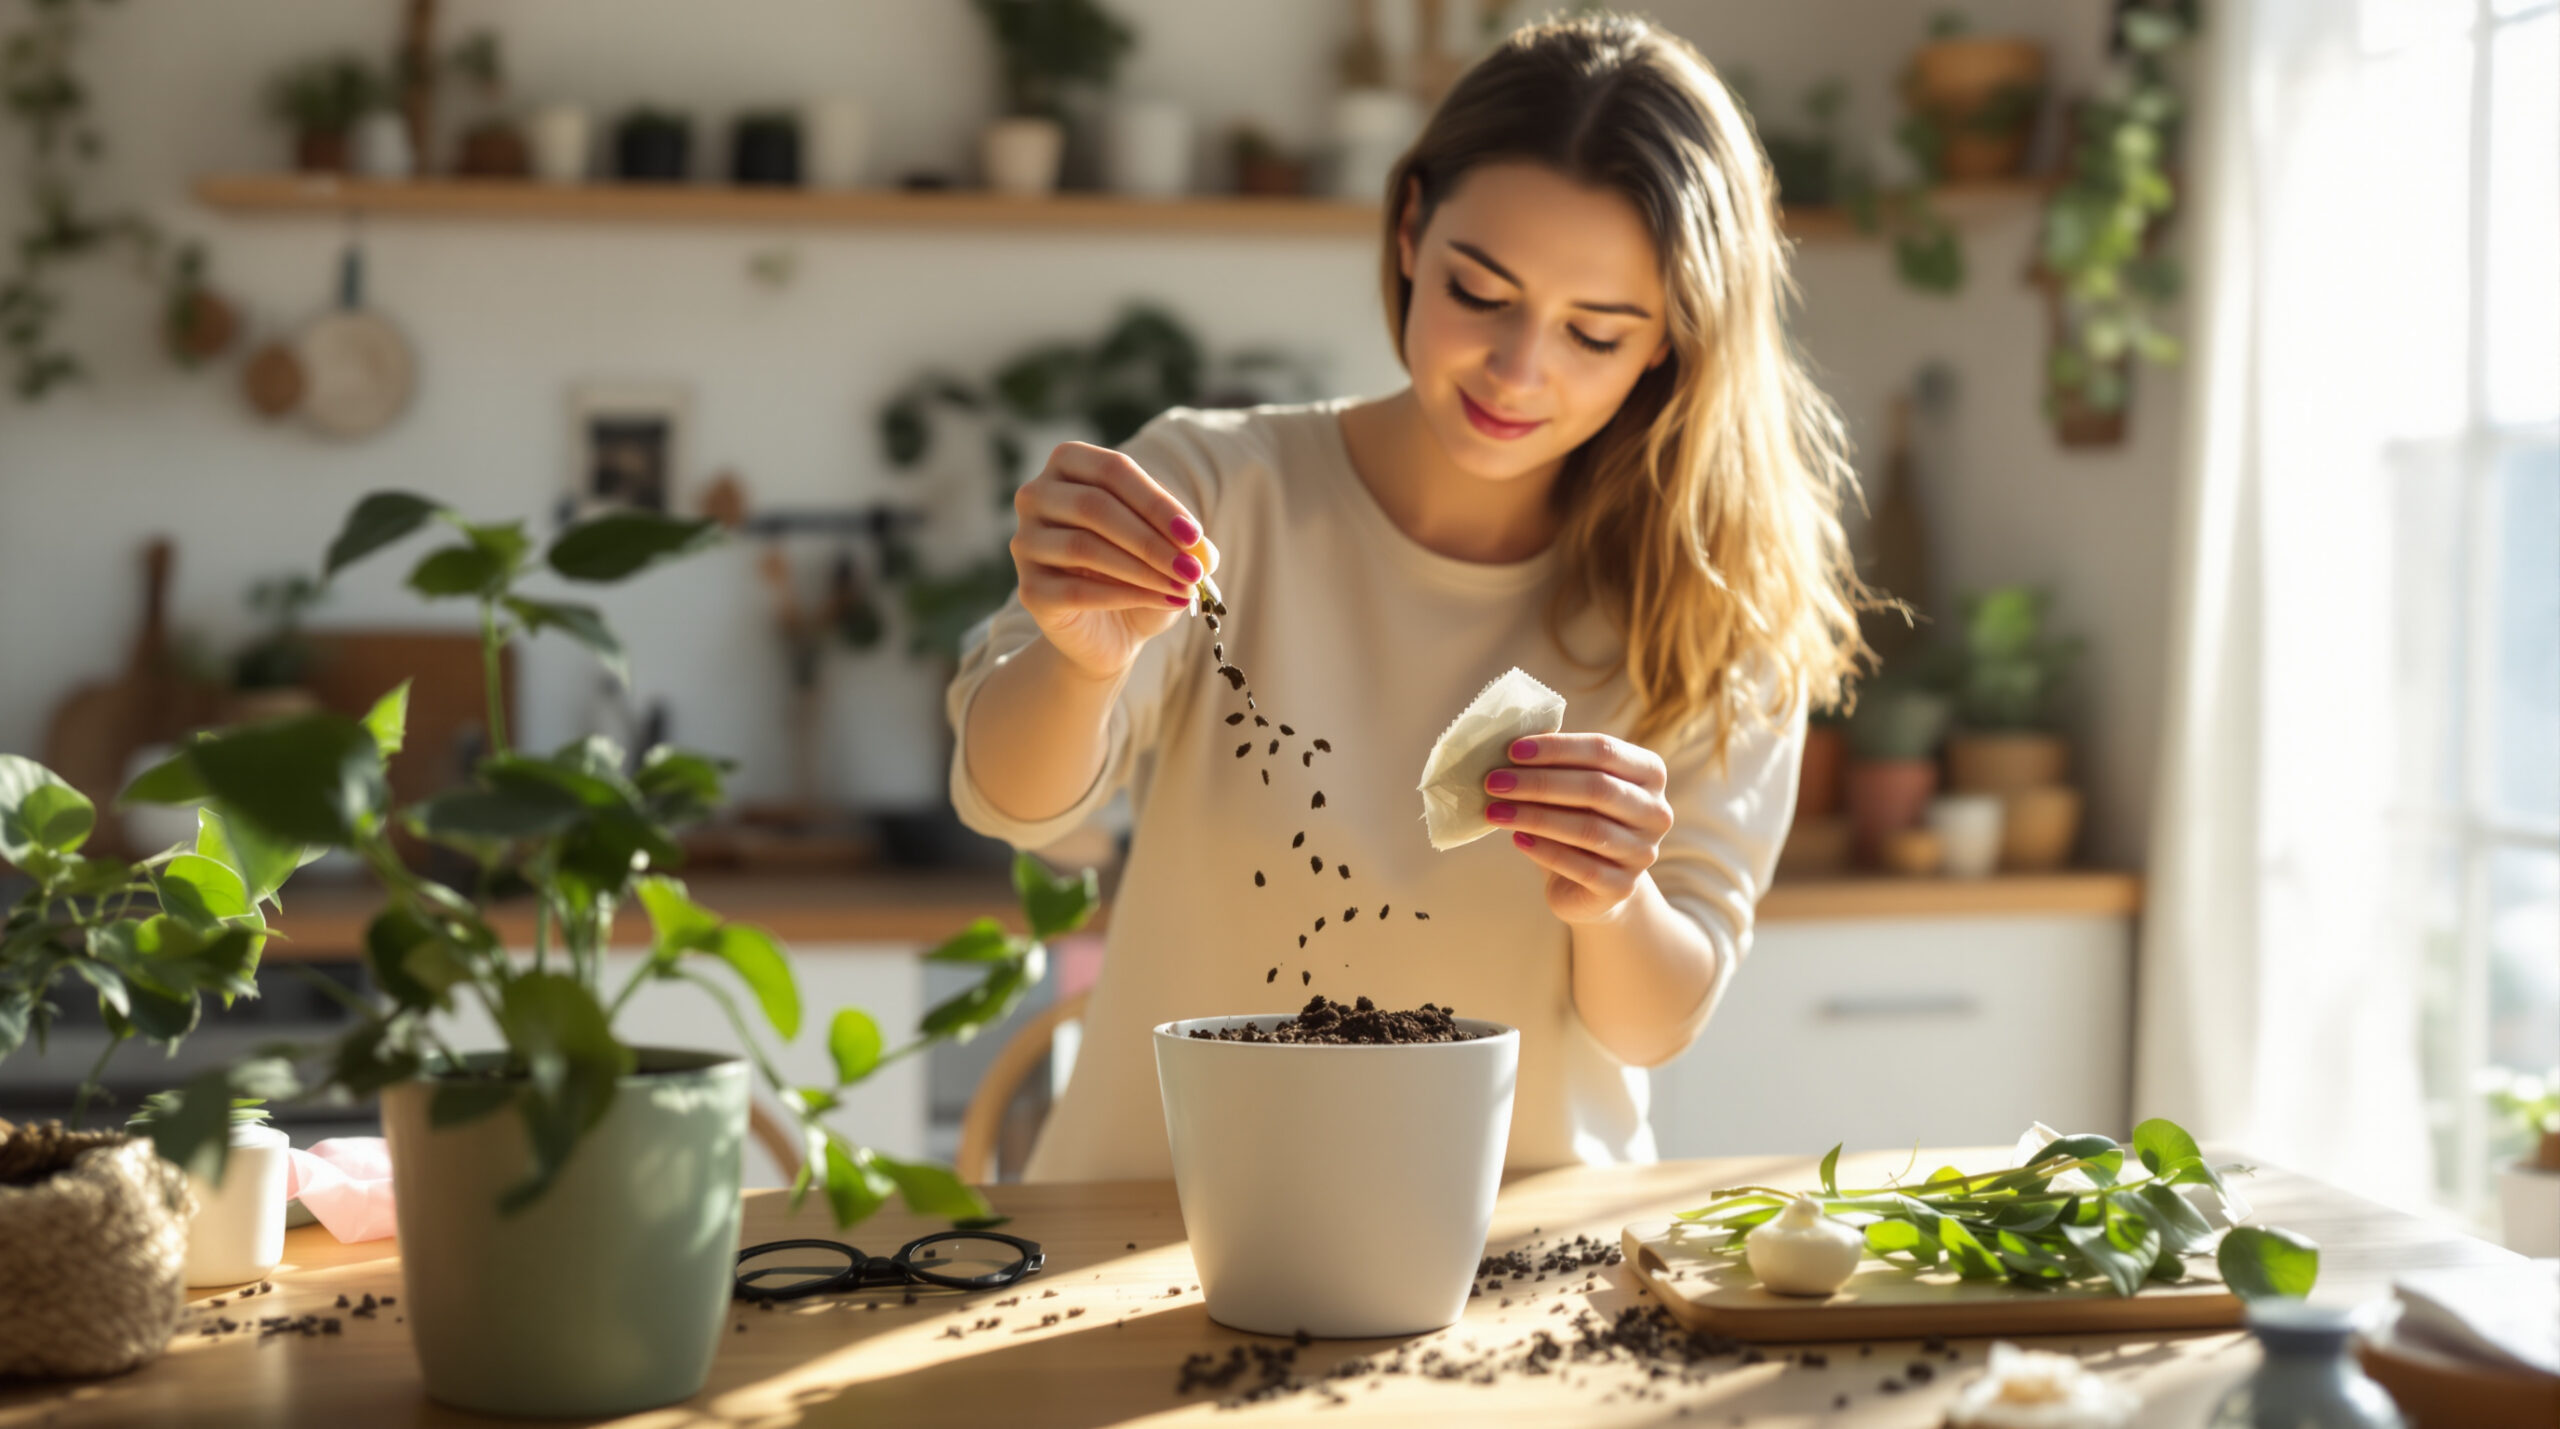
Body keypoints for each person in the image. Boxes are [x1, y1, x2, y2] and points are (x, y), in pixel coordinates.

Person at [946, 13, 1868, 1182]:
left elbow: (1653, 1025)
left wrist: (1611, 897)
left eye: (1593, 332)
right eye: (1479, 292)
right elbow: (1009, 804)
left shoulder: (1708, 601)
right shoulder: (1216, 488)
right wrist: (1081, 662)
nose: (1519, 370)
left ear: (1667, 347)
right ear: (1408, 229)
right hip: (1156, 1225)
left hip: (1506, 1255)